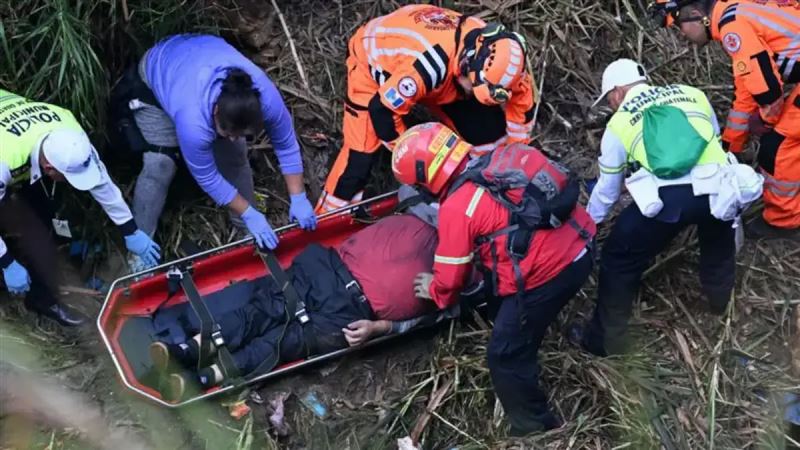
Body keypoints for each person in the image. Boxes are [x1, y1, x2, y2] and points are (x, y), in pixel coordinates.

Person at [391, 122, 596, 436]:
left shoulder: (458, 207)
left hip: (551, 272)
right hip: (582, 243)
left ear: (424, 178)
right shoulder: (499, 158)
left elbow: (451, 277)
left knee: (504, 356)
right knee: (500, 298)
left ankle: (535, 429)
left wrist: (434, 291)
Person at [149, 214, 464, 401]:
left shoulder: (464, 275)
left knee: (280, 341)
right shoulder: (424, 214)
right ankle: (186, 352)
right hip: (328, 268)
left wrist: (381, 328)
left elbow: (432, 316)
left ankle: (202, 377)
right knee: (263, 312)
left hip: (351, 310)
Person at [573, 59, 763, 356]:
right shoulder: (692, 93)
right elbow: (712, 138)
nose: (610, 105)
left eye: (609, 98)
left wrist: (586, 227)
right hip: (720, 190)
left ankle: (603, 342)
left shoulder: (619, 123)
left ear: (619, 92)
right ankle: (719, 303)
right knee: (717, 241)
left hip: (667, 203)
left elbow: (607, 191)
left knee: (619, 260)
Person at [113, 34, 317, 269]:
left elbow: (286, 144)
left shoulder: (266, 98)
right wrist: (249, 211)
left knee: (235, 155)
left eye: (243, 134)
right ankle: (140, 248)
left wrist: (298, 196)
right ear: (216, 111)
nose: (233, 138)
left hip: (196, 65)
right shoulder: (194, 122)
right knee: (160, 165)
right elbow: (207, 175)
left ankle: (244, 231)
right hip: (156, 80)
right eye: (227, 132)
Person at [316, 4, 538, 213]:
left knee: (489, 133)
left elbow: (522, 110)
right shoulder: (430, 66)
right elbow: (381, 111)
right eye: (474, 87)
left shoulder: (505, 60)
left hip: (438, 67)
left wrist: (517, 158)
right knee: (358, 160)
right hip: (374, 61)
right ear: (466, 65)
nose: (473, 94)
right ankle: (331, 216)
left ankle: (489, 196)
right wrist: (414, 160)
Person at [0, 89, 161, 326]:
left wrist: (131, 231)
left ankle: (42, 300)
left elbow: (101, 183)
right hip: (8, 154)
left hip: (19, 150)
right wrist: (6, 263)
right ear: (49, 168)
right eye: (67, 176)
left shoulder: (70, 133)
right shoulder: (5, 160)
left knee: (41, 217)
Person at [650, 0, 799, 238]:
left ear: (697, 14)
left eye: (679, 26)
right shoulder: (736, 10)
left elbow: (769, 93)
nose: (682, 35)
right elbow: (746, 93)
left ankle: (784, 221)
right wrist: (731, 147)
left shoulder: (733, 27)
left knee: (778, 145)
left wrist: (766, 122)